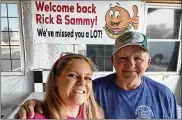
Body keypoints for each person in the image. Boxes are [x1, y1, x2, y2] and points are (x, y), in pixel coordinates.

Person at [14, 31, 178, 119]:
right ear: (113, 60)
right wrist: (37, 105)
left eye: (138, 58)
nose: (131, 64)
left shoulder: (164, 95)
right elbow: (64, 103)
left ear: (148, 62)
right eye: (123, 58)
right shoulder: (94, 90)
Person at [14, 52, 104, 119]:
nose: (82, 82)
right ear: (56, 81)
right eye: (72, 75)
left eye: (88, 78)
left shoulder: (96, 114)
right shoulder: (34, 117)